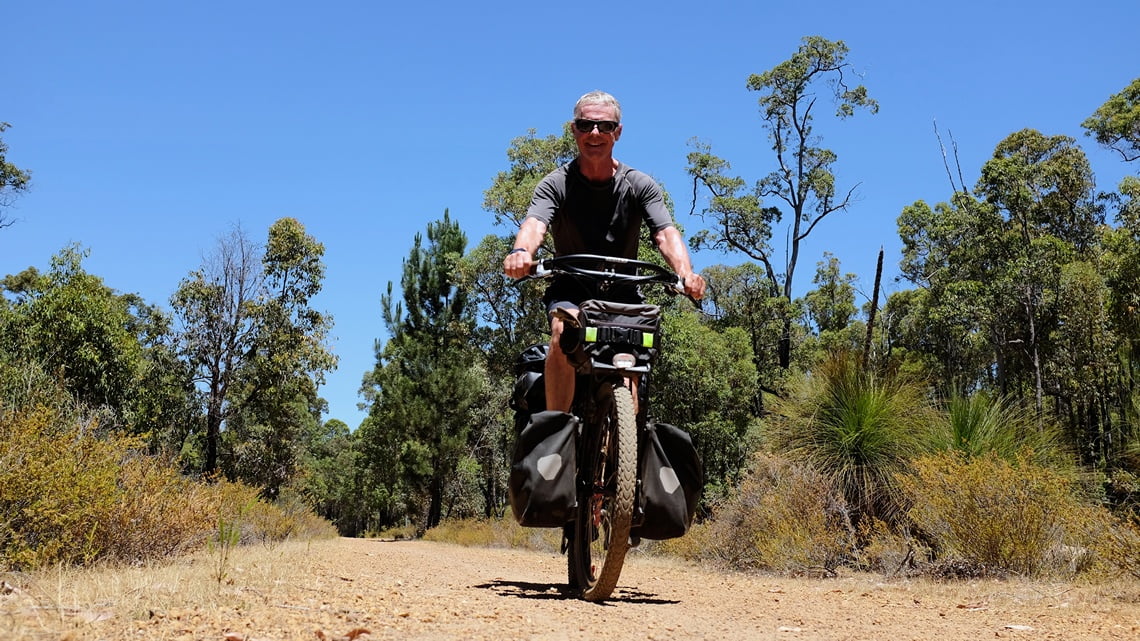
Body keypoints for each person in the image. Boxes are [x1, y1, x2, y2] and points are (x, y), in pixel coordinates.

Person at [503, 90, 706, 413]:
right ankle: (557, 430)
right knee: (561, 330)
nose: (594, 134)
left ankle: (626, 452)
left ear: (618, 132)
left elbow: (665, 233)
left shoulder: (639, 184)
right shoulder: (556, 183)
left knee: (632, 367)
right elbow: (535, 223)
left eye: (604, 126)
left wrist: (686, 274)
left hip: (624, 293)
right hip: (572, 289)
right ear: (574, 130)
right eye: (585, 125)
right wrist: (521, 252)